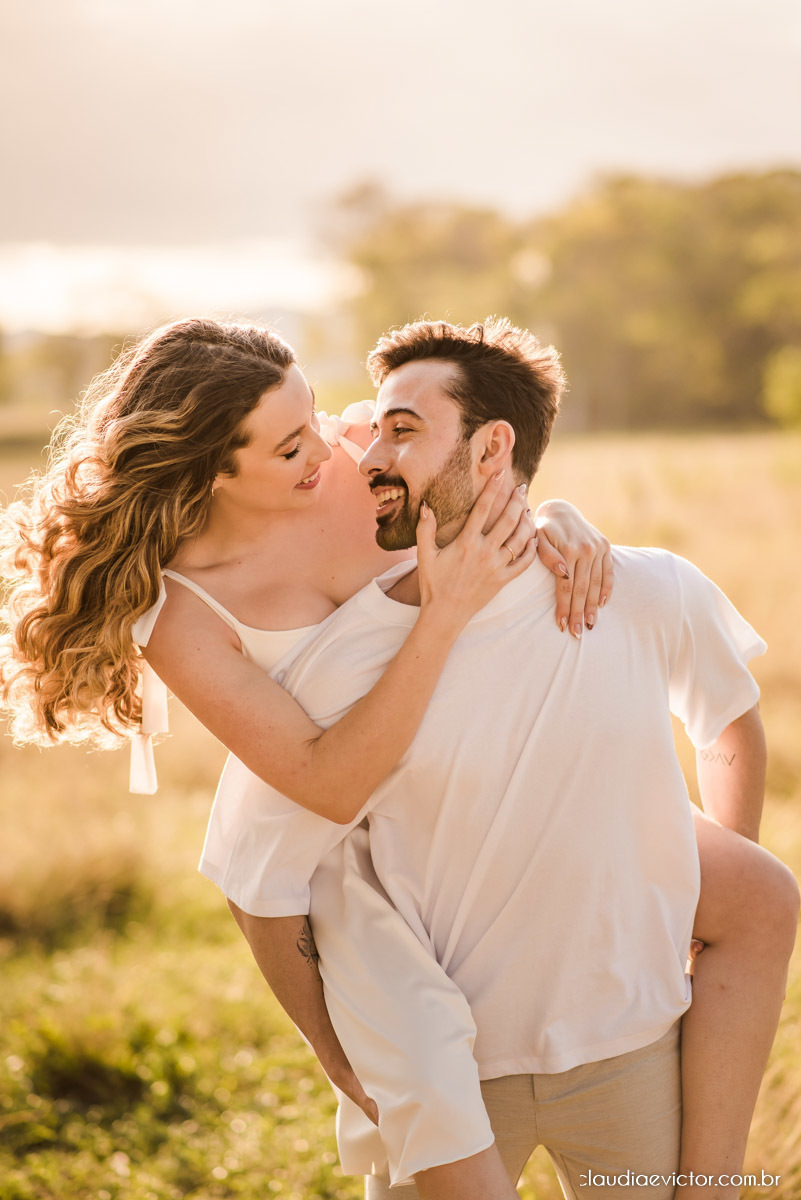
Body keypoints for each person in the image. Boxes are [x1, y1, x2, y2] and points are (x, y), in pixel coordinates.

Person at [178, 318, 799, 1200]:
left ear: (493, 445)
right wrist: (336, 1054)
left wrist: (692, 908)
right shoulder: (350, 662)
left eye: (402, 431)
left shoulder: (639, 586)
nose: (366, 457)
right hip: (451, 1077)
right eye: (377, 429)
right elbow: (257, 877)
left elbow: (729, 721)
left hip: (630, 1052)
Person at [0, 318, 616, 1199]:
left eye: (318, 415)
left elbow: (489, 484)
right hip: (348, 853)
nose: (331, 447)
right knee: (434, 1124)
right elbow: (326, 788)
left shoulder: (358, 456)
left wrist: (560, 517)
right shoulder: (180, 610)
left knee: (752, 896)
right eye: (291, 445)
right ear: (212, 468)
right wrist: (441, 617)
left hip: (491, 774)